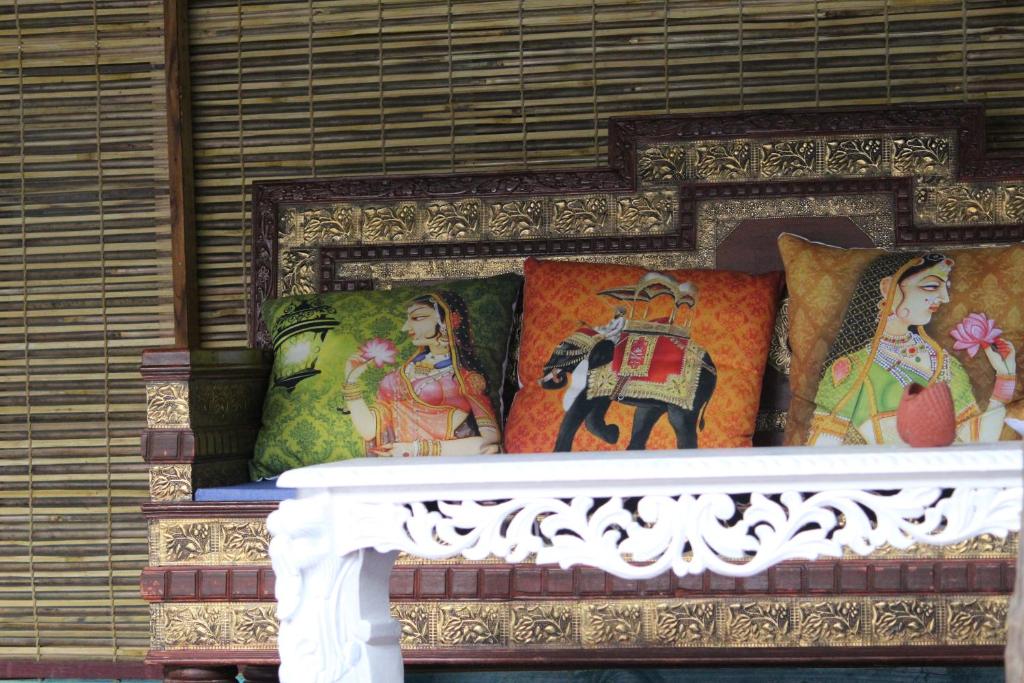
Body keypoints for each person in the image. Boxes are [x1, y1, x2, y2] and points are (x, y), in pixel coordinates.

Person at [808, 252, 1016, 445]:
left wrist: (1005, 377)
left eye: (946, 286)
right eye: (931, 287)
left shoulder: (945, 365)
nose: (945, 297)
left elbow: (976, 443)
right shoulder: (851, 370)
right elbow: (823, 454)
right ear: (889, 288)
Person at [342, 291, 501, 457]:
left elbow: (489, 442)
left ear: (447, 321)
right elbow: (369, 431)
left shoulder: (467, 377)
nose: (406, 327)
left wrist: (416, 450)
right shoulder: (400, 375)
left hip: (446, 465)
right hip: (395, 467)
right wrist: (351, 380)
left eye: (417, 318)